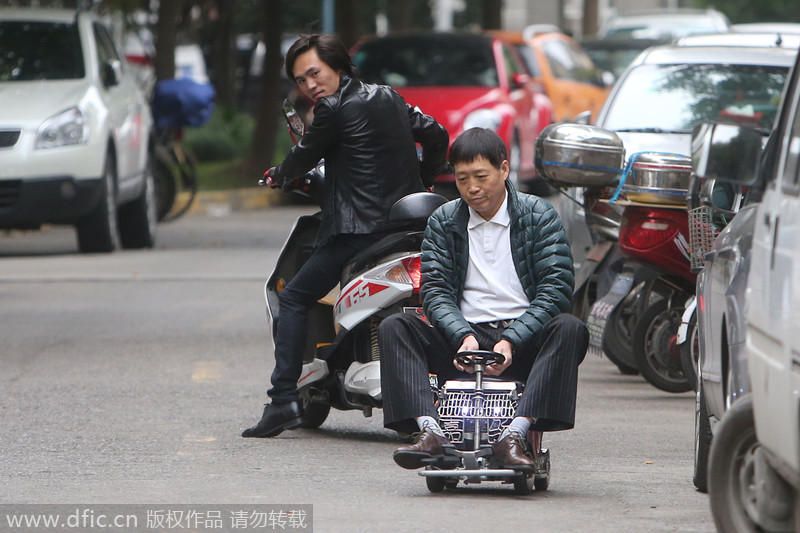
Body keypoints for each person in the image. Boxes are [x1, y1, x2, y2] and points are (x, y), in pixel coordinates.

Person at [242, 34, 449, 438]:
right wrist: (421, 186)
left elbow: (305, 154)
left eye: (314, 73)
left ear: (338, 65)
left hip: (358, 234)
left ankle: (282, 399)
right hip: (406, 230)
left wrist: (279, 175)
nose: (310, 86)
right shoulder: (389, 97)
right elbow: (437, 135)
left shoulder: (333, 110)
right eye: (301, 81)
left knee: (296, 297)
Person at [379, 127, 588, 469]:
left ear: (504, 170)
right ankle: (429, 432)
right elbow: (436, 291)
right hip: (463, 341)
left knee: (569, 328)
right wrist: (463, 336)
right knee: (395, 327)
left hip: (522, 341)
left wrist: (511, 340)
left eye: (481, 176)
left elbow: (556, 290)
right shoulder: (444, 221)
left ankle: (515, 436)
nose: (472, 188)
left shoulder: (539, 216)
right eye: (462, 179)